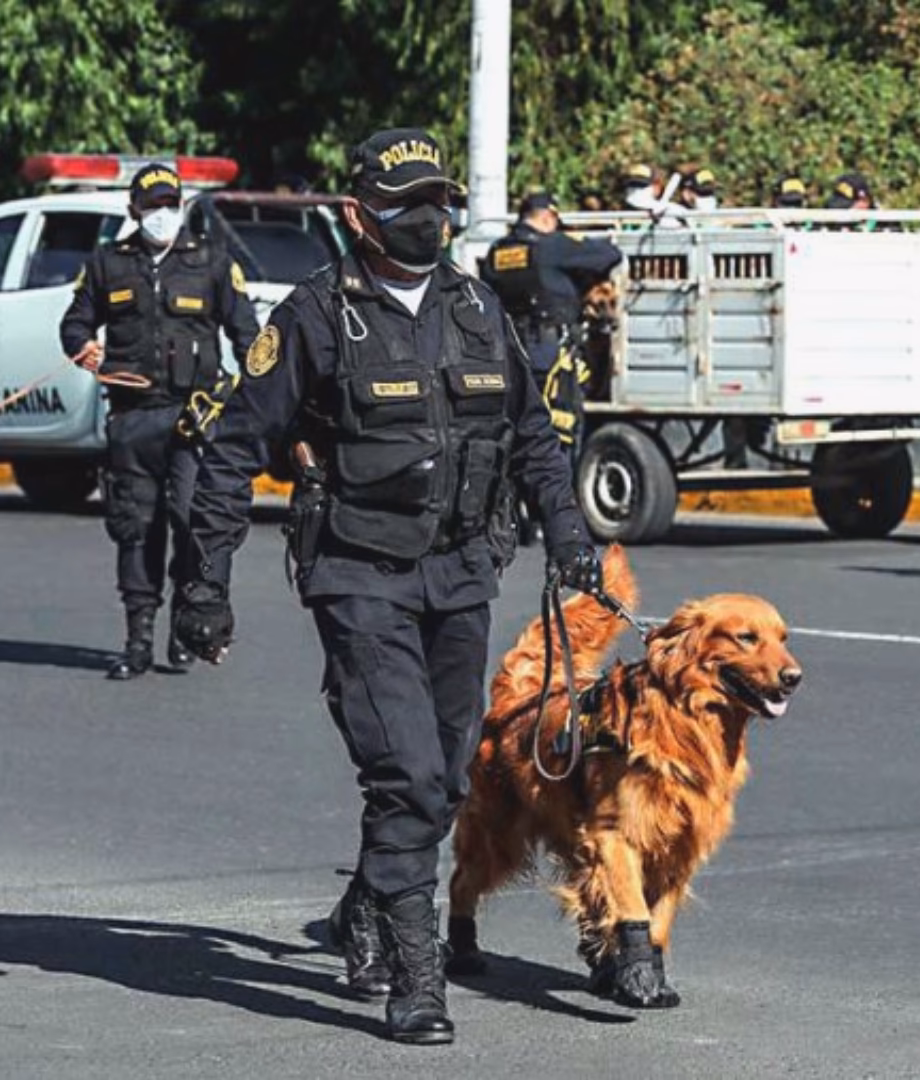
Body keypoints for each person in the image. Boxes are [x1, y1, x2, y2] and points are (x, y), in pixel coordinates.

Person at [172, 129, 600, 1044]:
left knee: (444, 778)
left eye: (439, 202)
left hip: (460, 571)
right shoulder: (317, 315)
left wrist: (570, 535)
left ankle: (364, 911)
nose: (428, 219)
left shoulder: (480, 307)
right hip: (358, 570)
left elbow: (531, 435)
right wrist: (203, 583)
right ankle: (417, 978)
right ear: (359, 213)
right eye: (407, 204)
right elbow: (234, 449)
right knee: (405, 773)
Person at [59, 163, 260, 681]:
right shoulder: (109, 264)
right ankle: (138, 640)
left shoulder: (212, 262)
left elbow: (247, 334)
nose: (162, 216)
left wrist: (251, 401)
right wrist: (81, 346)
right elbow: (76, 319)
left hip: (193, 420)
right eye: (152, 207)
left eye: (170, 205)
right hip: (132, 420)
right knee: (135, 529)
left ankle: (184, 629)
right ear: (134, 211)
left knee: (193, 521)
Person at [478, 191, 622, 455]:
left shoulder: (497, 252)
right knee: (559, 431)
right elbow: (609, 254)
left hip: (507, 354)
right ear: (547, 217)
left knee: (517, 429)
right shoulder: (551, 246)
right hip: (550, 353)